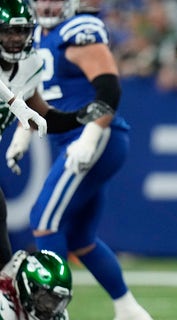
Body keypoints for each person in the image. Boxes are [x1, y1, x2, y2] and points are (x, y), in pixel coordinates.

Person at [28, 0, 152, 319]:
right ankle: (128, 308)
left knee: (44, 221)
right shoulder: (36, 35)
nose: (46, 4)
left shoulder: (78, 31)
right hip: (75, 139)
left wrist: (92, 135)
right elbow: (40, 96)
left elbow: (108, 90)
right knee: (81, 239)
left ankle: (53, 311)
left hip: (96, 137)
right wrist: (21, 133)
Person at [0, 0, 109, 267]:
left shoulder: (29, 65)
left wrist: (81, 118)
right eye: (7, 31)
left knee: (3, 258)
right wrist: (16, 104)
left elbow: (44, 116)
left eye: (22, 31)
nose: (15, 39)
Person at [0, 250, 72, 320]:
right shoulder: (5, 308)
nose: (51, 307)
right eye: (46, 299)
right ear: (27, 288)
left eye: (56, 301)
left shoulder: (59, 315)